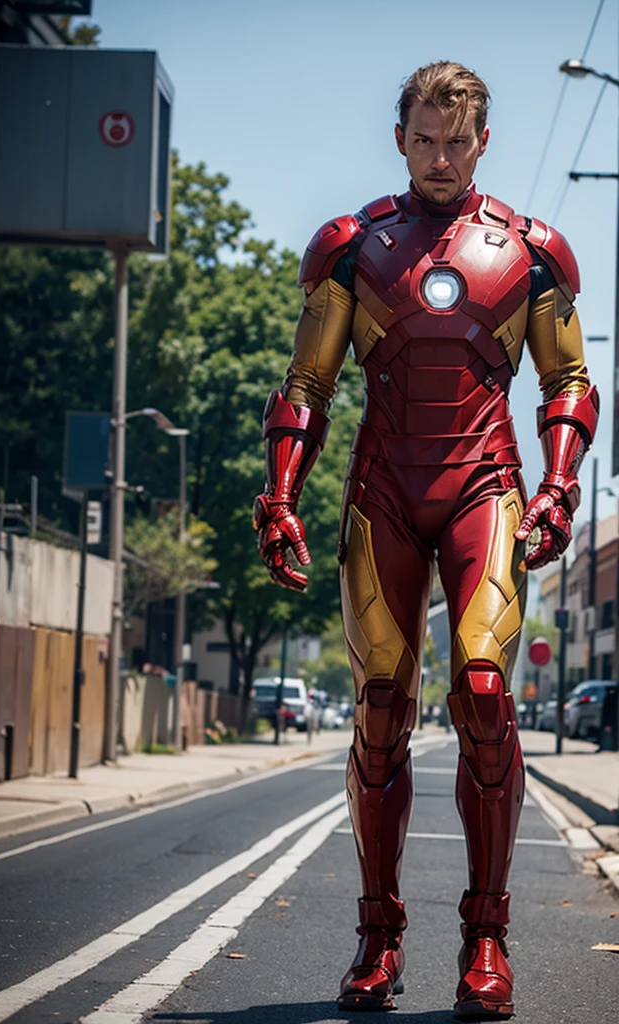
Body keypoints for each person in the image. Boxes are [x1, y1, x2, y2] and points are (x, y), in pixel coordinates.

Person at [253, 61, 598, 1019]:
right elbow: (307, 385)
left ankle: (486, 940)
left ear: (483, 141)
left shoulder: (532, 254)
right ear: (399, 139)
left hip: (485, 490)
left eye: (458, 141)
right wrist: (280, 492)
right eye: (424, 140)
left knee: (485, 695)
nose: (440, 158)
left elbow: (567, 383)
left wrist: (561, 486)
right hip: (384, 494)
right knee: (376, 708)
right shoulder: (354, 250)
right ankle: (378, 934)